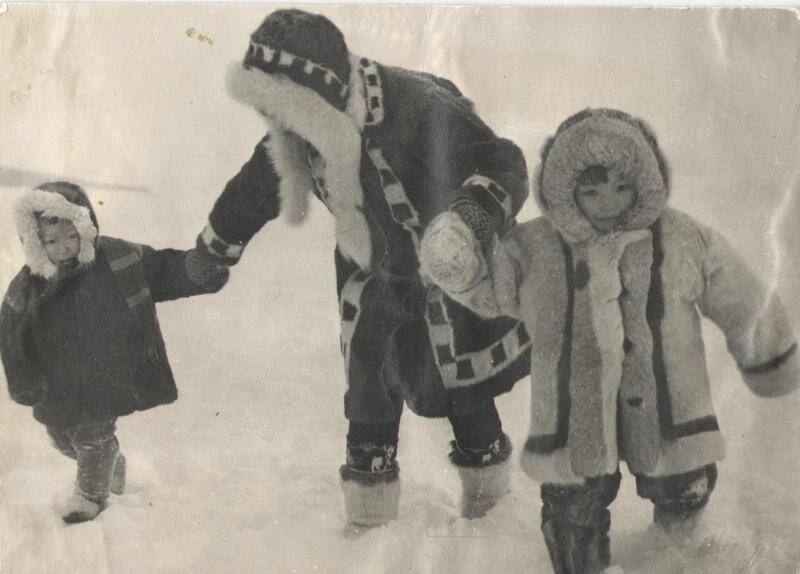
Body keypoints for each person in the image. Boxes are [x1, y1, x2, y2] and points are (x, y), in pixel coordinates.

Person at [420, 108, 799, 572]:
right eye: (592, 191)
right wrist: (456, 266)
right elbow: (494, 288)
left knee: (680, 479)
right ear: (566, 190)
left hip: (670, 404)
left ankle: (677, 544)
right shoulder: (536, 246)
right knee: (572, 501)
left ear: (644, 183)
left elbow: (738, 292)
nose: (608, 203)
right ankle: (579, 557)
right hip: (569, 414)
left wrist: (767, 351)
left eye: (622, 188)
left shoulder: (679, 238)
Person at [194, 9, 531, 528]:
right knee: (370, 385)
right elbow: (255, 188)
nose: (273, 121)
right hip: (372, 279)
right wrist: (213, 249)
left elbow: (501, 160)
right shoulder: (299, 133)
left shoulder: (417, 105)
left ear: (315, 98)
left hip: (449, 279)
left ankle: (487, 497)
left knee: (459, 386)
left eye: (280, 106)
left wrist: (467, 222)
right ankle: (369, 509)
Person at [1, 182, 229, 523]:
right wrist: (23, 379)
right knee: (63, 436)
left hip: (106, 370)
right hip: (59, 381)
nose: (63, 248)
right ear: (35, 242)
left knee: (92, 433)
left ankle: (90, 495)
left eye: (70, 236)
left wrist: (196, 270)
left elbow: (162, 270)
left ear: (85, 228)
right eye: (51, 241)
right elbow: (10, 334)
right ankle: (110, 463)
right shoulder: (29, 284)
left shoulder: (118, 258)